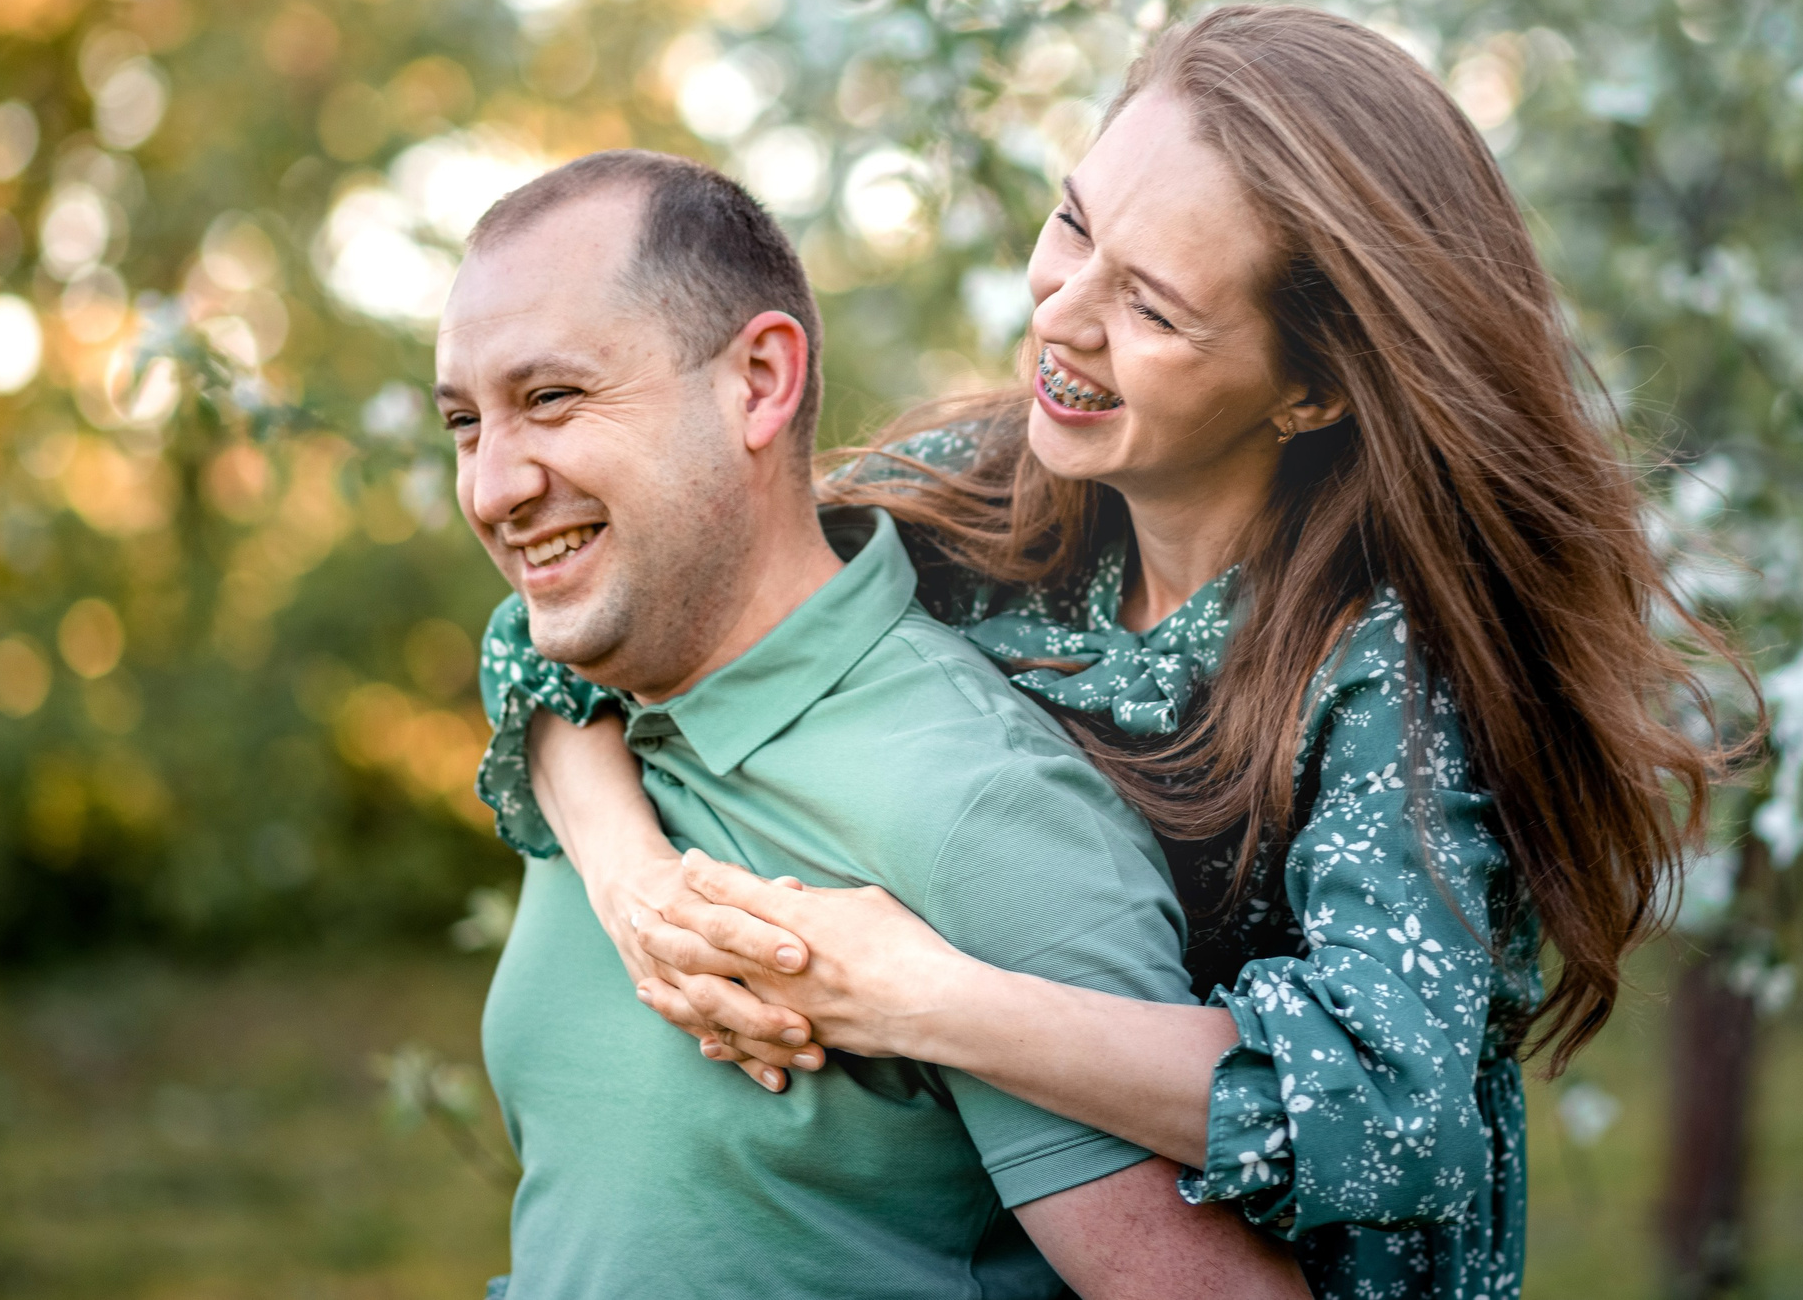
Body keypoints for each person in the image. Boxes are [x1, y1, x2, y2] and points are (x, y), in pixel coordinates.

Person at [479, 6, 1744, 1299]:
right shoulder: (973, 498)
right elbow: (587, 617)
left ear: (1311, 390)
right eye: (1075, 226)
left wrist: (923, 1001)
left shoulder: (1386, 674)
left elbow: (1389, 1115)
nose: (1062, 318)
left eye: (1150, 306)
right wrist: (639, 891)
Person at [437, 149, 1309, 1300]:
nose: (492, 486)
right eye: (464, 421)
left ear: (756, 382)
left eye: (551, 397)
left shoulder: (975, 808)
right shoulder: (595, 710)